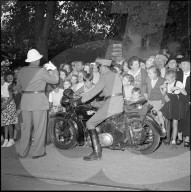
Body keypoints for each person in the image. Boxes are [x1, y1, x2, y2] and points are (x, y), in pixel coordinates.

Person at [75, 59, 123, 161]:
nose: (98, 69)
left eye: (98, 67)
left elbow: (94, 91)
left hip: (111, 104)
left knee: (90, 123)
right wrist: (95, 101)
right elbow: (107, 91)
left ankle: (96, 152)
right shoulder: (115, 75)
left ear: (103, 67)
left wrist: (80, 100)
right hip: (118, 103)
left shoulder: (104, 76)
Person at [16, 49, 59, 159]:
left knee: (26, 128)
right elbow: (55, 80)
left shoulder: (21, 71)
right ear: (36, 60)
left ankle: (22, 152)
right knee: (39, 127)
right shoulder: (41, 71)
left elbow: (18, 87)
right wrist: (54, 69)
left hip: (26, 101)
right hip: (38, 101)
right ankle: (38, 152)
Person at [159, 70, 187, 149]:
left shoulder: (178, 83)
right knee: (160, 113)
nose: (167, 81)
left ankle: (174, 140)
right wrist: (163, 92)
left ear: (174, 78)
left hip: (176, 104)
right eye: (166, 79)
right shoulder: (166, 83)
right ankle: (163, 128)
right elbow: (163, 92)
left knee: (175, 124)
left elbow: (185, 93)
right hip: (168, 103)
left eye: (169, 79)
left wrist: (177, 88)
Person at [143, 66, 166, 134]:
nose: (148, 75)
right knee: (151, 117)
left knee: (158, 117)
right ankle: (152, 131)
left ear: (156, 73)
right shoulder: (148, 79)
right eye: (148, 73)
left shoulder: (162, 80)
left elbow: (164, 94)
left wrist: (163, 103)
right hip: (150, 101)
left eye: (150, 73)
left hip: (158, 101)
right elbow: (146, 90)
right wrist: (146, 99)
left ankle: (159, 131)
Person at [176, 56, 190, 147]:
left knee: (188, 119)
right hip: (179, 100)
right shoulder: (178, 74)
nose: (182, 66)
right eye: (181, 64)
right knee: (179, 118)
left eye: (184, 64)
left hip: (189, 101)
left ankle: (187, 138)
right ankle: (180, 137)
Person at [1, 74, 18, 147]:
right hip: (4, 103)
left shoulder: (10, 85)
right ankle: (6, 139)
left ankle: (11, 139)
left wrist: (5, 104)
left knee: (10, 123)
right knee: (5, 123)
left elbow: (11, 97)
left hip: (9, 104)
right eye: (8, 77)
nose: (10, 78)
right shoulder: (3, 85)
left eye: (11, 77)